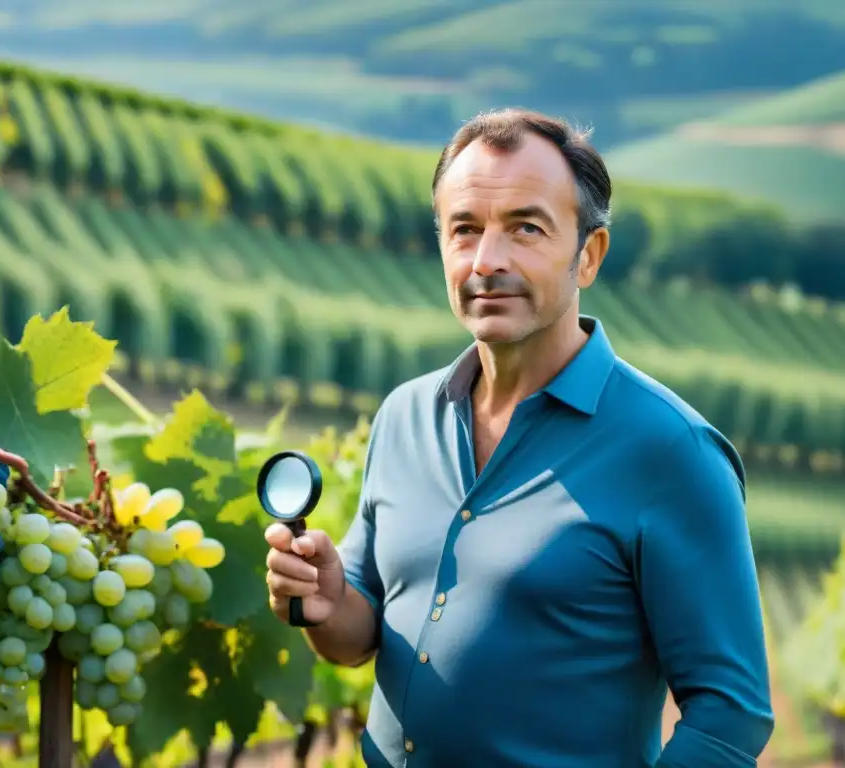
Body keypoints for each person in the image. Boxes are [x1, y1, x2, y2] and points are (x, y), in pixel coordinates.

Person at [264, 108, 774, 767]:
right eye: (465, 230)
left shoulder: (672, 452)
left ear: (587, 255)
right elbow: (356, 638)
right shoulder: (403, 417)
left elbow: (730, 716)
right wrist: (328, 604)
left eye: (525, 229)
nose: (487, 260)